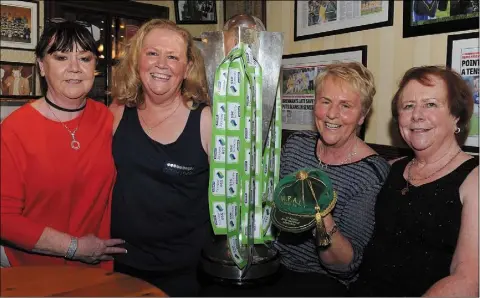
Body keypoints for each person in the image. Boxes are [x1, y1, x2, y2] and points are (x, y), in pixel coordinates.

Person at [247, 62, 389, 297]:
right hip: (270, 262)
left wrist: (321, 215)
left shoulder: (370, 173)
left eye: (346, 106)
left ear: (362, 115)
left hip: (320, 279)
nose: (332, 114)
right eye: (325, 101)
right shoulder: (297, 144)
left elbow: (344, 266)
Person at [0, 21, 127, 268]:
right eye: (61, 57)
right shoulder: (14, 130)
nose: (74, 68)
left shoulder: (108, 118)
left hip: (97, 268)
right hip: (34, 271)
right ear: (41, 67)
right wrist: (73, 247)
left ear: (94, 67)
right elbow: (4, 218)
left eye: (85, 58)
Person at [349, 66, 479, 297]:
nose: (417, 115)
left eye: (430, 104)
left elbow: (468, 279)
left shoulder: (474, 179)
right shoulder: (390, 168)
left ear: (456, 115)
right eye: (408, 106)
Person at [109, 19, 211, 297]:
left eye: (173, 56)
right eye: (152, 53)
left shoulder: (206, 121)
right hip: (122, 263)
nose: (161, 64)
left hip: (186, 272)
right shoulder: (117, 112)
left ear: (187, 67)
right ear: (137, 59)